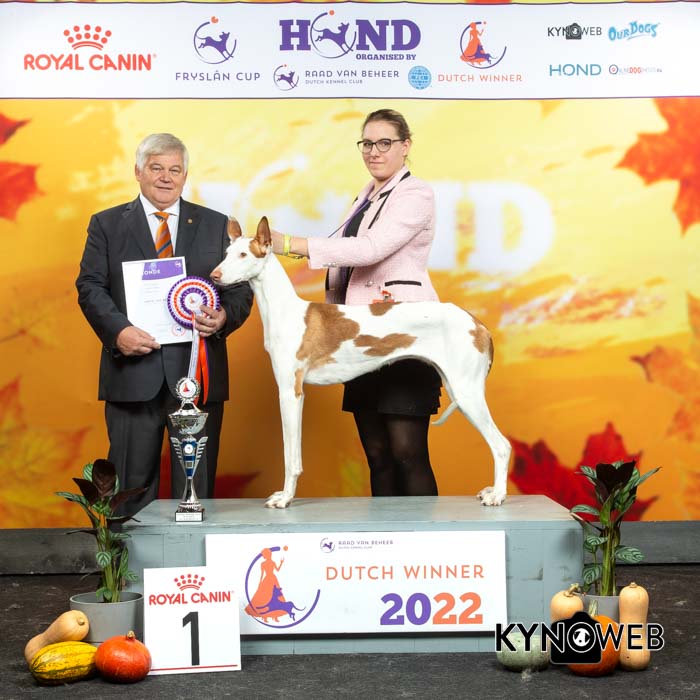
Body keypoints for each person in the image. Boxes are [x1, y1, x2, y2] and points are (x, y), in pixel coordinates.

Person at [76, 133, 253, 513]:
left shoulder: (216, 224)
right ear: (138, 171)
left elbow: (240, 288)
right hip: (131, 374)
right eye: (156, 168)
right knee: (128, 490)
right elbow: (89, 286)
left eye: (175, 169)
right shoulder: (106, 224)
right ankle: (129, 556)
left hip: (197, 376)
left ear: (185, 175)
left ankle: (194, 554)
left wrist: (223, 317)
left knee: (196, 487)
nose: (166, 177)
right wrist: (118, 331)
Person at [271, 109, 441, 497]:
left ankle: (425, 532)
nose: (374, 151)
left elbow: (370, 249)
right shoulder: (365, 195)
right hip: (359, 337)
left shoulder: (416, 193)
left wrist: (291, 244)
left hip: (402, 333)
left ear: (405, 146)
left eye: (384, 143)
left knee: (407, 453)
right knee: (377, 454)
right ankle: (384, 534)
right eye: (367, 143)